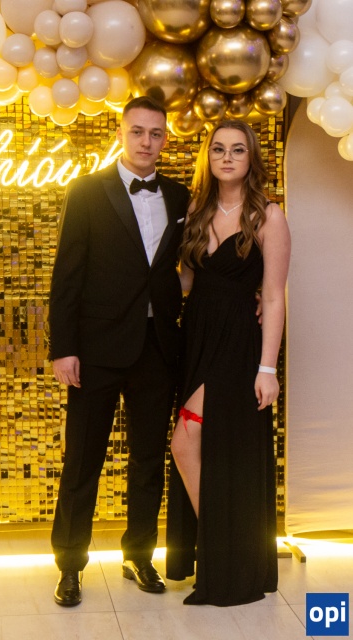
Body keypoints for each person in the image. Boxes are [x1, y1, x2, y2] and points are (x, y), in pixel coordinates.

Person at [48, 96, 190, 606]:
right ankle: (69, 565)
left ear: (166, 139)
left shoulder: (180, 195)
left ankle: (139, 554)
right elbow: (67, 274)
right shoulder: (87, 190)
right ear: (121, 134)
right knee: (82, 460)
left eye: (156, 133)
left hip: (158, 347)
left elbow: (189, 266)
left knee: (149, 459)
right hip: (96, 350)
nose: (146, 142)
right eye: (137, 131)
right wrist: (64, 348)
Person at [165, 120, 291, 607]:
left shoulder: (268, 216)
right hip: (198, 339)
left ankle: (226, 552)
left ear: (251, 158)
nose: (227, 157)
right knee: (199, 447)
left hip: (240, 343)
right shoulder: (196, 212)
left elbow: (273, 296)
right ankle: (228, 551)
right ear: (209, 157)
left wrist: (267, 369)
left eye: (238, 150)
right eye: (219, 149)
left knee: (188, 443)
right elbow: (187, 282)